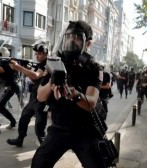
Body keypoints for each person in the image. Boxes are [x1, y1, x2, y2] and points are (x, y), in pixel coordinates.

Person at [31, 20, 106, 168]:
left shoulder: (93, 68)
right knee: (38, 164)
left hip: (85, 130)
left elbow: (91, 102)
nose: (72, 40)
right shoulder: (55, 63)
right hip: (59, 127)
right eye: (69, 37)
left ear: (87, 43)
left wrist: (75, 94)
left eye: (77, 37)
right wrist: (52, 82)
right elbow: (40, 96)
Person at [6, 41, 48, 147]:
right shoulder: (40, 64)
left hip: (43, 101)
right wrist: (26, 70)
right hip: (34, 98)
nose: (37, 56)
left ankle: (45, 148)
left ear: (46, 54)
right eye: (36, 54)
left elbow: (36, 76)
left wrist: (18, 67)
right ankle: (20, 139)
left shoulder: (47, 65)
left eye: (40, 53)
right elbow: (35, 80)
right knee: (24, 118)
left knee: (39, 126)